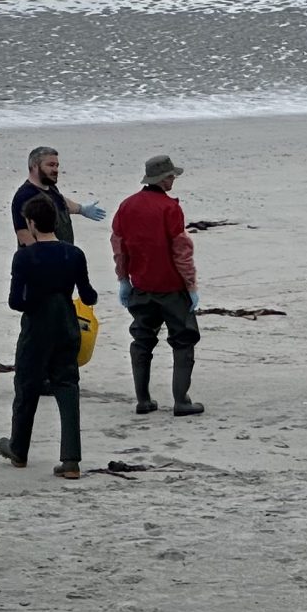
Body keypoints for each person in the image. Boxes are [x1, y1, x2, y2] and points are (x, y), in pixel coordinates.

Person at [0, 194, 98, 479]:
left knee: (27, 386)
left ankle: (19, 449)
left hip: (37, 326)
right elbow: (88, 294)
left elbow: (15, 301)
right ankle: (71, 459)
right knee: (67, 387)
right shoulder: (74, 253)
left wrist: (35, 300)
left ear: (31, 223)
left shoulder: (24, 257)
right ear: (56, 221)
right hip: (67, 323)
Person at [111, 154, 204, 417]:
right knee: (183, 339)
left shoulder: (126, 206)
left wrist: (123, 279)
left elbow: (119, 247)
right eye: (172, 176)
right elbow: (181, 250)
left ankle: (143, 399)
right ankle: (181, 401)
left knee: (142, 340)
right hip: (171, 286)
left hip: (140, 285)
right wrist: (192, 285)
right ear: (163, 179)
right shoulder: (169, 208)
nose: (173, 179)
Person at [9, 146, 106, 247]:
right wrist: (41, 257)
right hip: (45, 259)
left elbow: (62, 201)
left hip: (64, 254)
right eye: (51, 165)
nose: (55, 170)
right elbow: (23, 235)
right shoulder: (24, 196)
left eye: (57, 166)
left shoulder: (51, 188)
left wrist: (81, 209)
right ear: (34, 166)